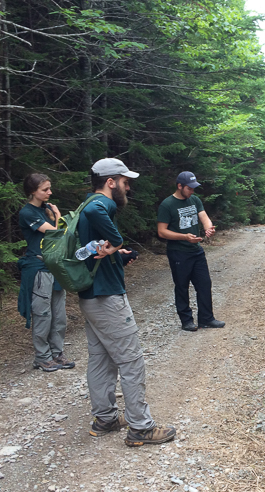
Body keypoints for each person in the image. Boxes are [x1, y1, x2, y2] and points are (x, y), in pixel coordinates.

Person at [78, 158, 175, 447]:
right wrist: (117, 241)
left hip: (91, 296)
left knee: (100, 359)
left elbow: (94, 246)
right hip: (107, 298)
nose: (128, 187)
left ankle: (105, 418)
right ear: (111, 182)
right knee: (131, 361)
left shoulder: (85, 204)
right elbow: (102, 220)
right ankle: (141, 428)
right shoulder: (99, 204)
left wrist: (116, 253)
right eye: (125, 182)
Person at [17, 173, 75, 373]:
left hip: (55, 267)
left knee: (59, 316)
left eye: (50, 188)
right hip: (39, 268)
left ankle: (57, 354)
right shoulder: (28, 213)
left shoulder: (45, 210)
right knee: (43, 314)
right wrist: (58, 216)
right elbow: (55, 233)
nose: (49, 193)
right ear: (33, 191)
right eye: (45, 189)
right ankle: (42, 357)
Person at [157, 171, 225, 332]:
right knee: (182, 286)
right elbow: (161, 231)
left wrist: (209, 228)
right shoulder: (167, 205)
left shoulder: (194, 200)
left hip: (196, 251)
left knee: (204, 284)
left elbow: (204, 217)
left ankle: (206, 319)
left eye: (194, 188)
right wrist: (184, 237)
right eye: (189, 188)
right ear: (179, 186)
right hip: (178, 252)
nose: (192, 191)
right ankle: (186, 321)